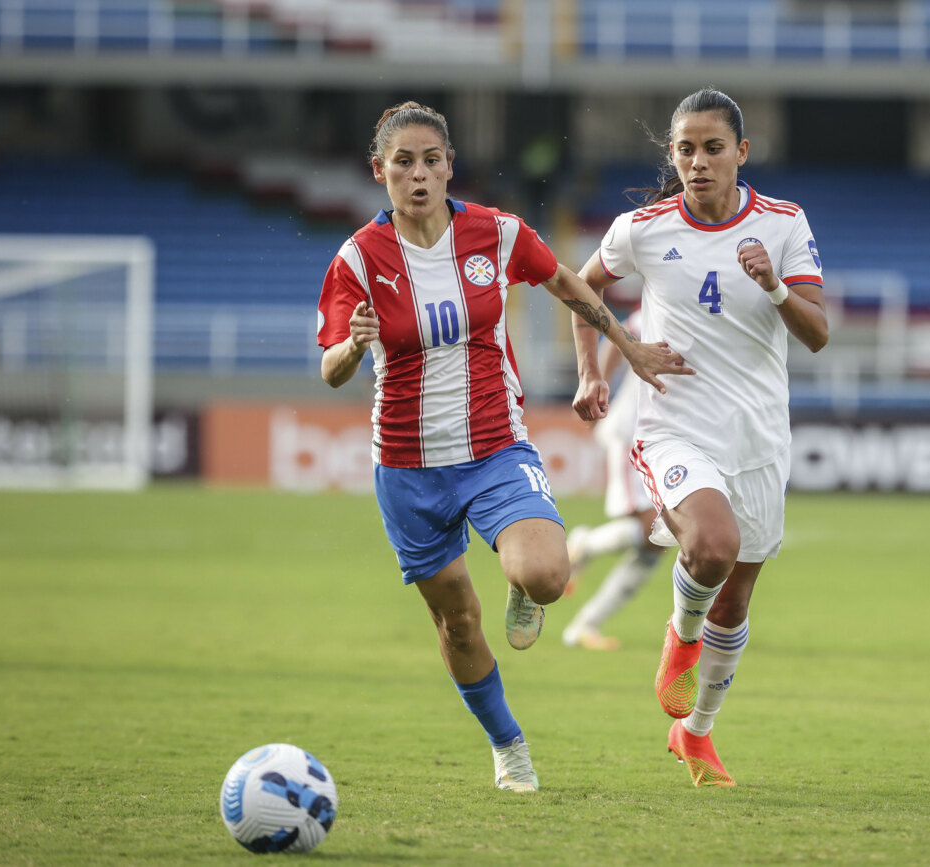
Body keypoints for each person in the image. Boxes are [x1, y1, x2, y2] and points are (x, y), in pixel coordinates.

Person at [316, 102, 692, 793]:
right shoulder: (357, 261)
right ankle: (508, 744)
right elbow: (331, 365)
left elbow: (566, 282)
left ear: (450, 165)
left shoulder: (495, 233)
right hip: (406, 467)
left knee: (548, 574)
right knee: (458, 622)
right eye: (403, 162)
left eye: (432, 160)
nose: (419, 174)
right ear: (379, 171)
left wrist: (626, 348)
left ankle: (524, 584)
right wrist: (353, 343)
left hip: (494, 446)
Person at [571, 88, 829, 787]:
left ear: (741, 153)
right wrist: (604, 364)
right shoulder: (644, 228)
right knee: (711, 546)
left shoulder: (782, 224)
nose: (698, 160)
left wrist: (775, 287)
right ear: (673, 156)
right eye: (685, 148)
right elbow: (581, 288)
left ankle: (697, 733)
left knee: (737, 597)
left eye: (713, 147)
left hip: (759, 437)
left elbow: (817, 333)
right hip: (676, 425)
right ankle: (678, 640)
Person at [561, 306, 667, 651]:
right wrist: (598, 388)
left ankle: (584, 626)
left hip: (669, 442)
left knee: (657, 542)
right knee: (653, 531)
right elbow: (618, 338)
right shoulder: (662, 304)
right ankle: (584, 544)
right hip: (634, 433)